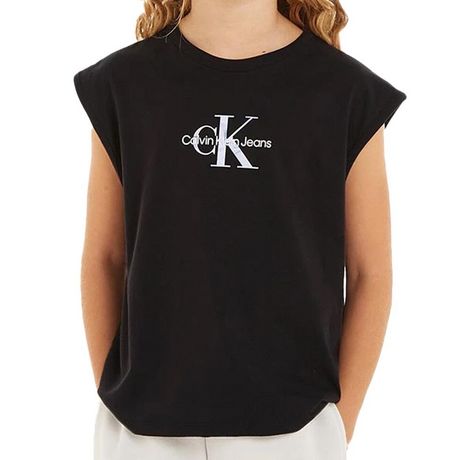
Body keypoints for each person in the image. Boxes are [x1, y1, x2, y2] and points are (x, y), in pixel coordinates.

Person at [73, 0, 407, 459]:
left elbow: (371, 272)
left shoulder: (347, 93)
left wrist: (334, 424)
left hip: (294, 433)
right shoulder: (122, 85)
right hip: (140, 433)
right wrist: (116, 393)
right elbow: (104, 258)